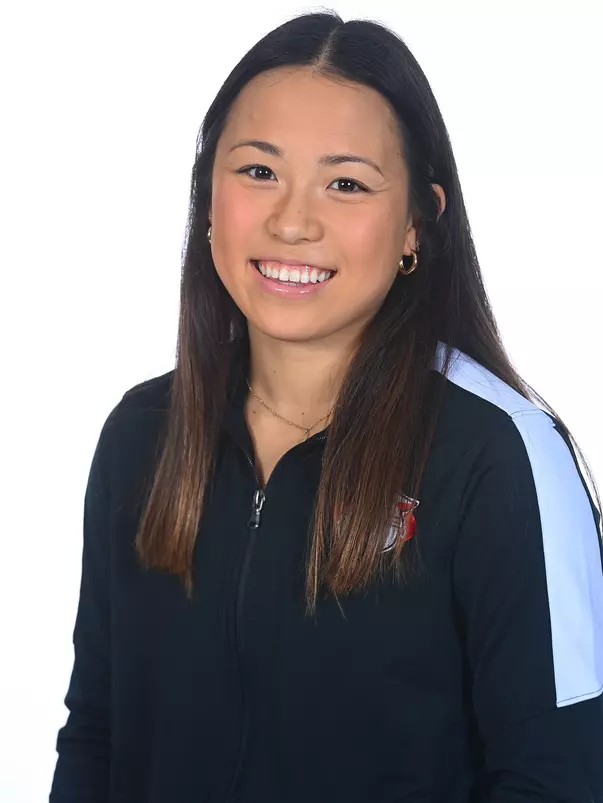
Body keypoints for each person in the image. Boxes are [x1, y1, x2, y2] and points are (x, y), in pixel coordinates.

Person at [50, 10, 603, 803]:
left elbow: (558, 779)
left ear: (418, 222)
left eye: (345, 183)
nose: (292, 221)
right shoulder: (141, 433)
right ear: (208, 197)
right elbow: (97, 731)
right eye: (257, 172)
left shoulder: (501, 456)